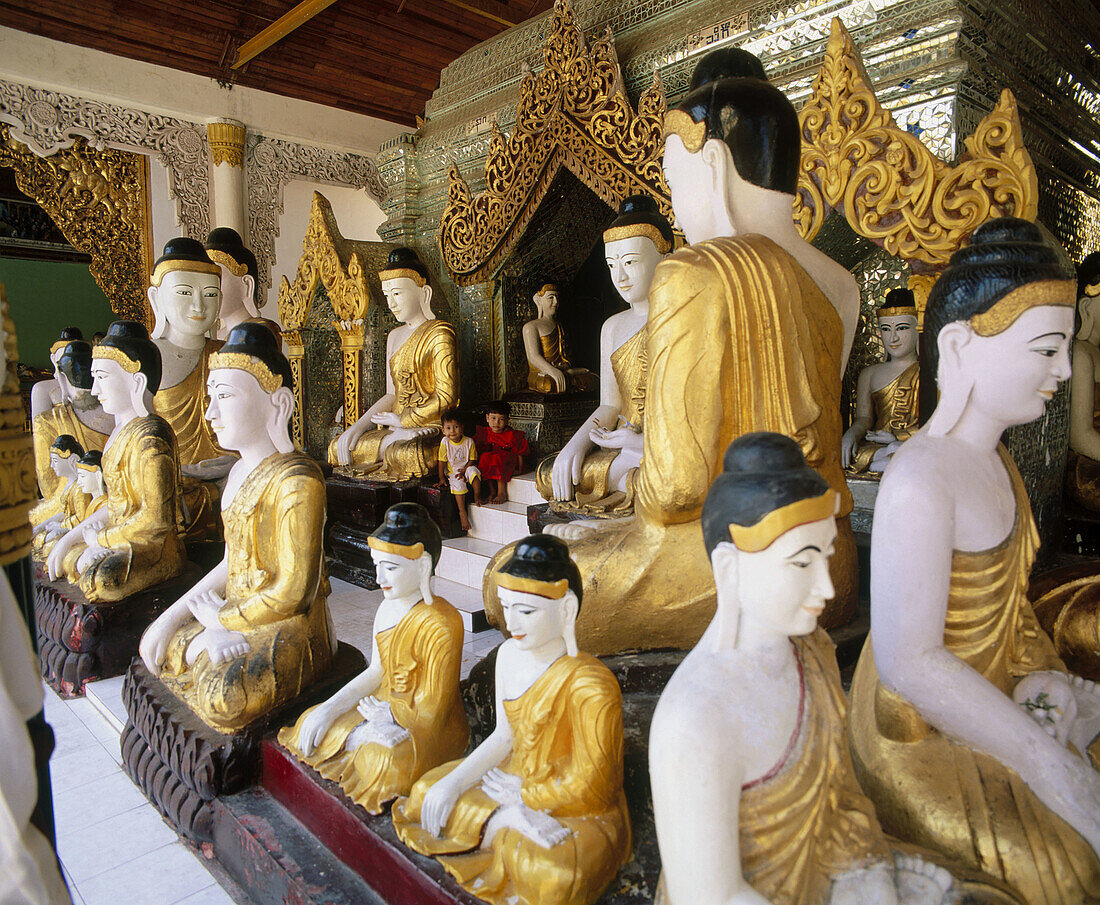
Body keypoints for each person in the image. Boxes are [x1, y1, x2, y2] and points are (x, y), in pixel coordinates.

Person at [485, 49, 859, 655]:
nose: (674, 201)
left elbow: (676, 490)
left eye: (672, 177)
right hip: (827, 563)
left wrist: (615, 521)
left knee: (509, 578)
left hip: (730, 562)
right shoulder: (842, 284)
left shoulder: (693, 273)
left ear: (710, 165)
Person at [650, 433, 1017, 905]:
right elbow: (710, 897)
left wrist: (867, 873)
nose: (825, 587)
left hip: (841, 867)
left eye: (826, 556)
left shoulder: (814, 652)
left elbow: (839, 803)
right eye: (802, 563)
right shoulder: (693, 719)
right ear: (728, 568)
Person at [848, 218, 1100, 905]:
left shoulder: (1000, 467)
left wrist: (1046, 681)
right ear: (959, 345)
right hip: (916, 729)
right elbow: (912, 664)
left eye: (1064, 350)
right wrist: (1042, 755)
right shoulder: (920, 479)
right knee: (1065, 870)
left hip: (995, 694)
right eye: (1046, 349)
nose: (1063, 370)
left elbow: (1013, 612)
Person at [392, 534, 631, 905]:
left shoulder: (591, 684)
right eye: (506, 607)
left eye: (527, 611)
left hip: (571, 805)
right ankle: (499, 825)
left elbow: (594, 788)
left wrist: (524, 797)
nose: (512, 622)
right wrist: (454, 783)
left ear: (566, 610)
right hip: (511, 777)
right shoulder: (507, 654)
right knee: (428, 792)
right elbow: (504, 737)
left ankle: (498, 826)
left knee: (554, 874)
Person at [138, 322, 334, 731]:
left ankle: (209, 649)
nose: (210, 412)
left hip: (289, 626)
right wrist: (172, 617)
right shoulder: (240, 472)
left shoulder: (298, 480)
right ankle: (206, 647)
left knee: (222, 693)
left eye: (224, 397)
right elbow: (231, 564)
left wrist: (221, 622)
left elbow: (294, 594)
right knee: (162, 643)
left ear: (277, 405)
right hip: (237, 614)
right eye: (210, 398)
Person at [280, 503, 467, 814]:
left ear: (422, 566)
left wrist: (390, 717)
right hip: (383, 701)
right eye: (376, 564)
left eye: (390, 567)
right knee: (311, 722)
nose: (379, 577)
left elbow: (436, 706)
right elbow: (376, 672)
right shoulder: (386, 609)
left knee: (385, 759)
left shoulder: (443, 621)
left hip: (424, 724)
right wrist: (330, 708)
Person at [536, 195, 673, 524]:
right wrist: (576, 445)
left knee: (663, 483)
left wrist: (642, 441)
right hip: (620, 448)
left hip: (666, 448)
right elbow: (610, 406)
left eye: (630, 262)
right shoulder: (613, 326)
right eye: (612, 265)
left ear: (665, 259)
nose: (620, 277)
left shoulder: (680, 318)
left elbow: (695, 410)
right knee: (550, 473)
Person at [45, 321, 185, 603]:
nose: (94, 390)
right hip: (120, 536)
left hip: (153, 546)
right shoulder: (119, 433)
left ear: (137, 381)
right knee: (70, 558)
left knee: (101, 580)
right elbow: (115, 504)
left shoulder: (151, 438)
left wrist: (103, 540)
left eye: (102, 377)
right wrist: (71, 539)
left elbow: (156, 521)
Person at [328, 247, 459, 481]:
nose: (391, 304)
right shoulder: (394, 335)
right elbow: (391, 395)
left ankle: (394, 442)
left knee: (407, 453)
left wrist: (405, 421)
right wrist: (358, 427)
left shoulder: (439, 333)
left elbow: (446, 397)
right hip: (394, 427)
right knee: (339, 446)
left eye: (397, 294)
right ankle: (388, 441)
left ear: (423, 293)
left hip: (429, 427)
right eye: (387, 296)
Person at [841, 289, 920, 474]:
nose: (893, 337)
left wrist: (896, 437)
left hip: (913, 441)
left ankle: (897, 453)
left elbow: (936, 423)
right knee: (859, 455)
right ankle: (894, 455)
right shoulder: (870, 374)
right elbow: (864, 418)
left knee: (916, 452)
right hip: (876, 446)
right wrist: (852, 433)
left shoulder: (930, 372)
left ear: (918, 329)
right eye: (886, 329)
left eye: (902, 328)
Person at [521, 281, 599, 394]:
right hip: (542, 373)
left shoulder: (560, 325)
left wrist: (566, 368)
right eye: (550, 298)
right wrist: (553, 371)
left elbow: (566, 355)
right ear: (539, 300)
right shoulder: (531, 326)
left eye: (557, 297)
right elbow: (533, 356)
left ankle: (567, 376)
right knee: (549, 384)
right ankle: (566, 377)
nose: (555, 302)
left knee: (594, 379)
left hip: (563, 370)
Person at [437, 408, 481, 531]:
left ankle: (477, 496)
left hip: (466, 467)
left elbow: (472, 459)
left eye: (456, 427)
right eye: (448, 428)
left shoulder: (469, 441)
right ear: (443, 430)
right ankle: (462, 513)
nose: (452, 431)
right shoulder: (445, 442)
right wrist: (441, 477)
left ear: (462, 428)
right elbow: (442, 461)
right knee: (459, 484)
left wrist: (466, 470)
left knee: (475, 473)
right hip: (454, 471)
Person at [476, 401, 528, 504]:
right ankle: (492, 491)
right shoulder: (485, 433)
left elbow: (520, 453)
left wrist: (520, 469)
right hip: (493, 463)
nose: (496, 423)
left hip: (509, 462)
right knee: (485, 457)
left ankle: (502, 492)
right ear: (487, 418)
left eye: (501, 419)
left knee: (496, 457)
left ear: (507, 420)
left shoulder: (512, 435)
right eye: (493, 418)